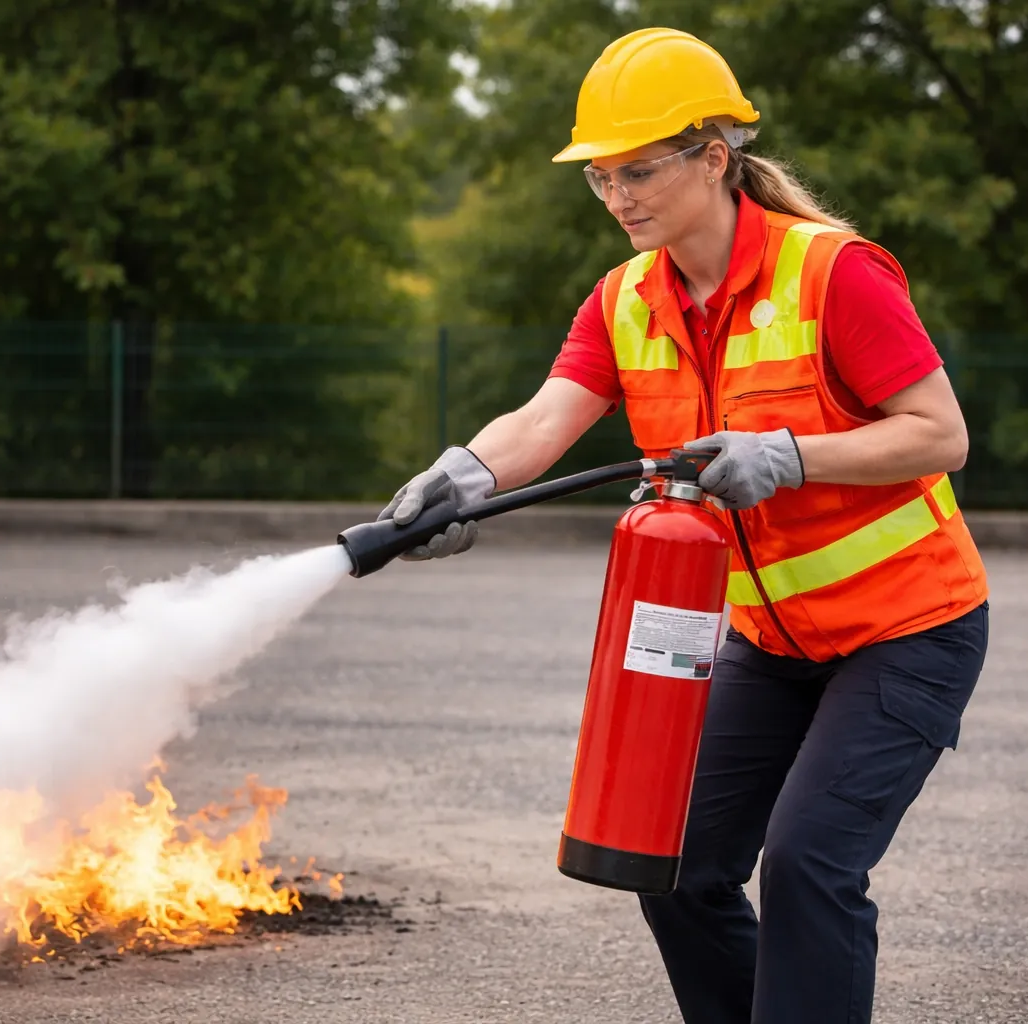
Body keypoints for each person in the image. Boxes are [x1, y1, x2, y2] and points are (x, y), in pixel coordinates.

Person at [377, 26, 990, 1024]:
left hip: (908, 630)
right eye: (601, 177)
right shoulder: (625, 301)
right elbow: (542, 420)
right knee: (674, 863)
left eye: (639, 171)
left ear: (714, 157)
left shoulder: (833, 273)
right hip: (770, 638)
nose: (618, 196)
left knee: (808, 864)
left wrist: (787, 452)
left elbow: (941, 434)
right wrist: (463, 474)